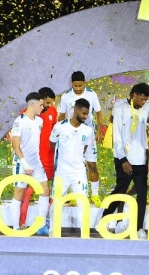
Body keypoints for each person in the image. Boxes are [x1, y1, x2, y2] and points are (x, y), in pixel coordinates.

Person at [103, 82, 149, 239]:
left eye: (146, 100)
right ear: (134, 95)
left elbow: (147, 134)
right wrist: (123, 158)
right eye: (141, 99)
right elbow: (116, 133)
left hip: (141, 158)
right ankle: (105, 219)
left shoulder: (148, 108)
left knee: (142, 193)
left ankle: (138, 228)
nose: (143, 102)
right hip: (123, 157)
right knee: (120, 189)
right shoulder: (120, 107)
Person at [58, 71, 103, 206]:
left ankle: (94, 195)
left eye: (80, 86)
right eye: (75, 86)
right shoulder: (66, 96)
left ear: (84, 83)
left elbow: (99, 113)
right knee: (72, 164)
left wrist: (99, 131)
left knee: (92, 165)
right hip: (71, 137)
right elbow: (61, 116)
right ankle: (73, 195)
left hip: (88, 135)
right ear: (71, 84)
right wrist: (60, 131)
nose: (78, 89)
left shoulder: (91, 94)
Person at [49, 98, 94, 228]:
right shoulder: (60, 127)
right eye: (84, 113)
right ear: (75, 110)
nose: (86, 117)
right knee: (56, 204)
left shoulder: (88, 131)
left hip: (79, 173)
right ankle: (53, 232)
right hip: (61, 173)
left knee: (83, 204)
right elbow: (52, 144)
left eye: (87, 114)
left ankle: (83, 236)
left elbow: (85, 149)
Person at [9, 92, 50, 234]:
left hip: (36, 162)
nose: (42, 107)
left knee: (45, 190)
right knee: (19, 193)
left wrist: (33, 162)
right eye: (40, 105)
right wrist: (24, 163)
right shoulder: (19, 122)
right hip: (22, 163)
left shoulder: (40, 121)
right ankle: (15, 227)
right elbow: (15, 146)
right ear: (32, 104)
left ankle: (42, 224)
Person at [19, 87, 58, 226]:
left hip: (48, 159)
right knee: (27, 192)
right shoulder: (25, 115)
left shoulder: (53, 112)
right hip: (31, 160)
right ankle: (21, 223)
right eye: (46, 103)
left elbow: (55, 132)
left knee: (46, 191)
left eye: (51, 103)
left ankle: (44, 223)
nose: (49, 106)